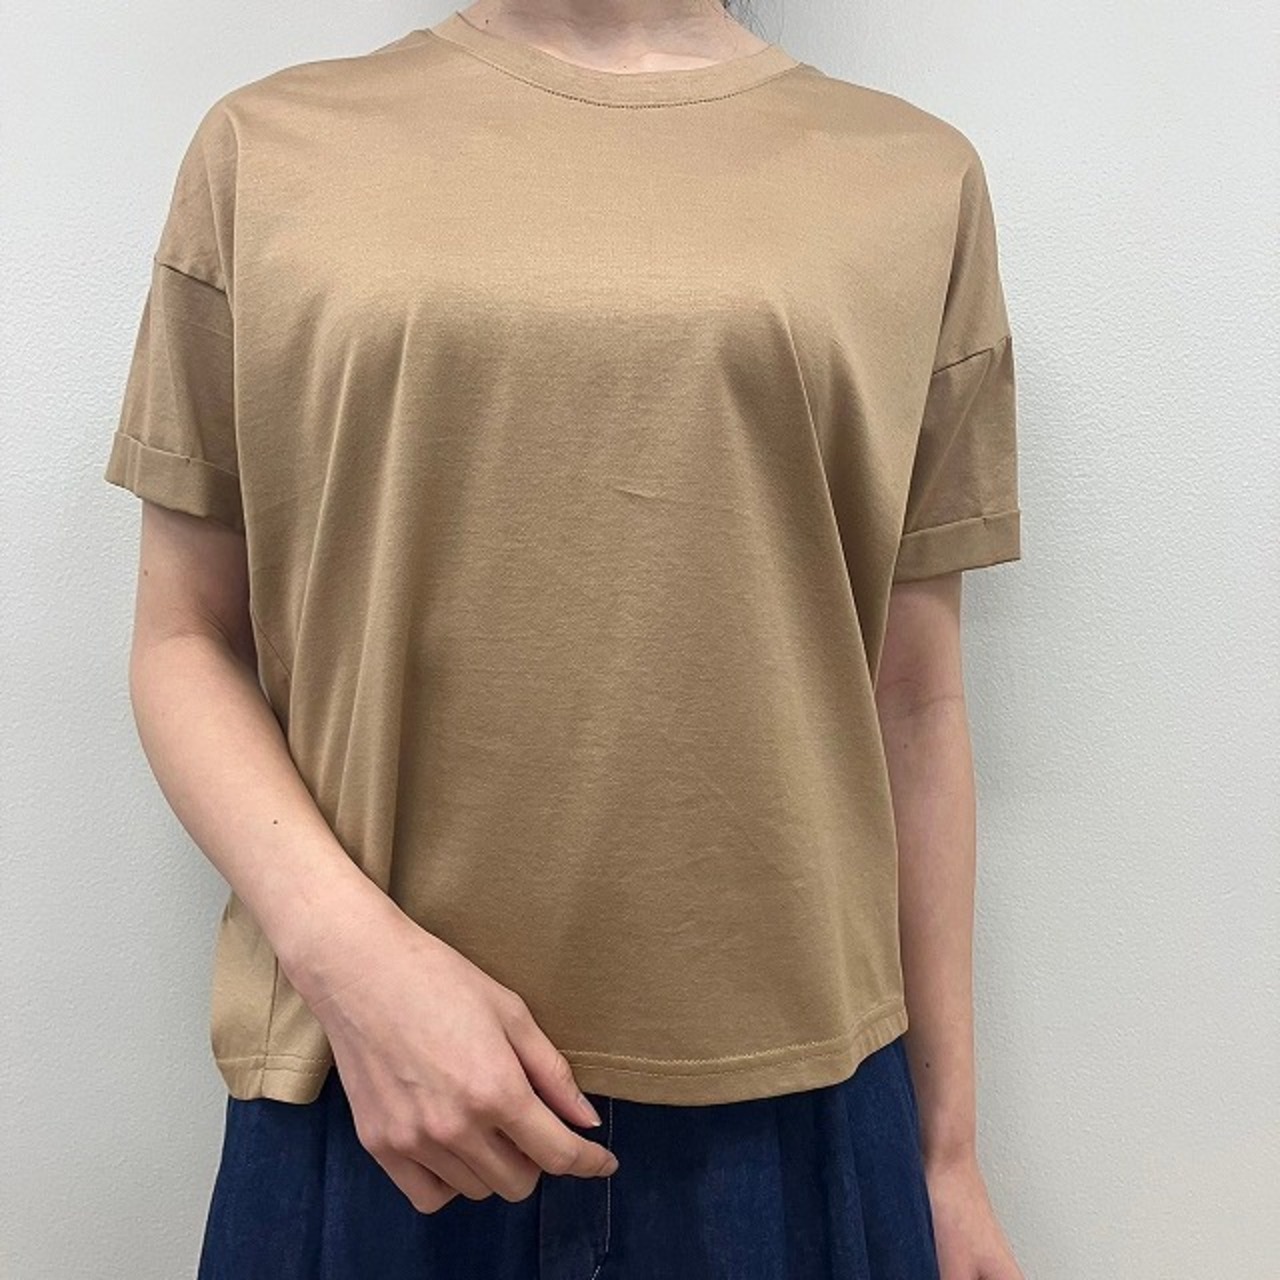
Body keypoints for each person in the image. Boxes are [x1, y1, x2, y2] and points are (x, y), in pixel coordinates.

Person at [103, 1, 1027, 1276]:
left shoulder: (912, 179)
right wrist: (351, 961)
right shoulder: (265, 150)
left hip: (790, 1118)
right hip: (370, 1098)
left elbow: (912, 701)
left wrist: (945, 1154)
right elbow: (184, 638)